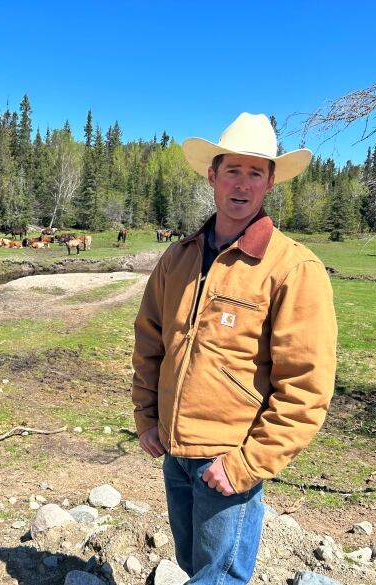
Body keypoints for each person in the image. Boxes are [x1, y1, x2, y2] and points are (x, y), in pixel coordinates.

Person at [131, 112, 337, 584]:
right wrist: (147, 418)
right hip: (175, 452)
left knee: (219, 577)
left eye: (255, 173)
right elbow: (150, 342)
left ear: (269, 183)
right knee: (193, 567)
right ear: (212, 176)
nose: (241, 185)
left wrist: (248, 464)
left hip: (228, 457)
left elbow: (305, 388)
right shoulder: (178, 257)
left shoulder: (293, 267)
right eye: (232, 171)